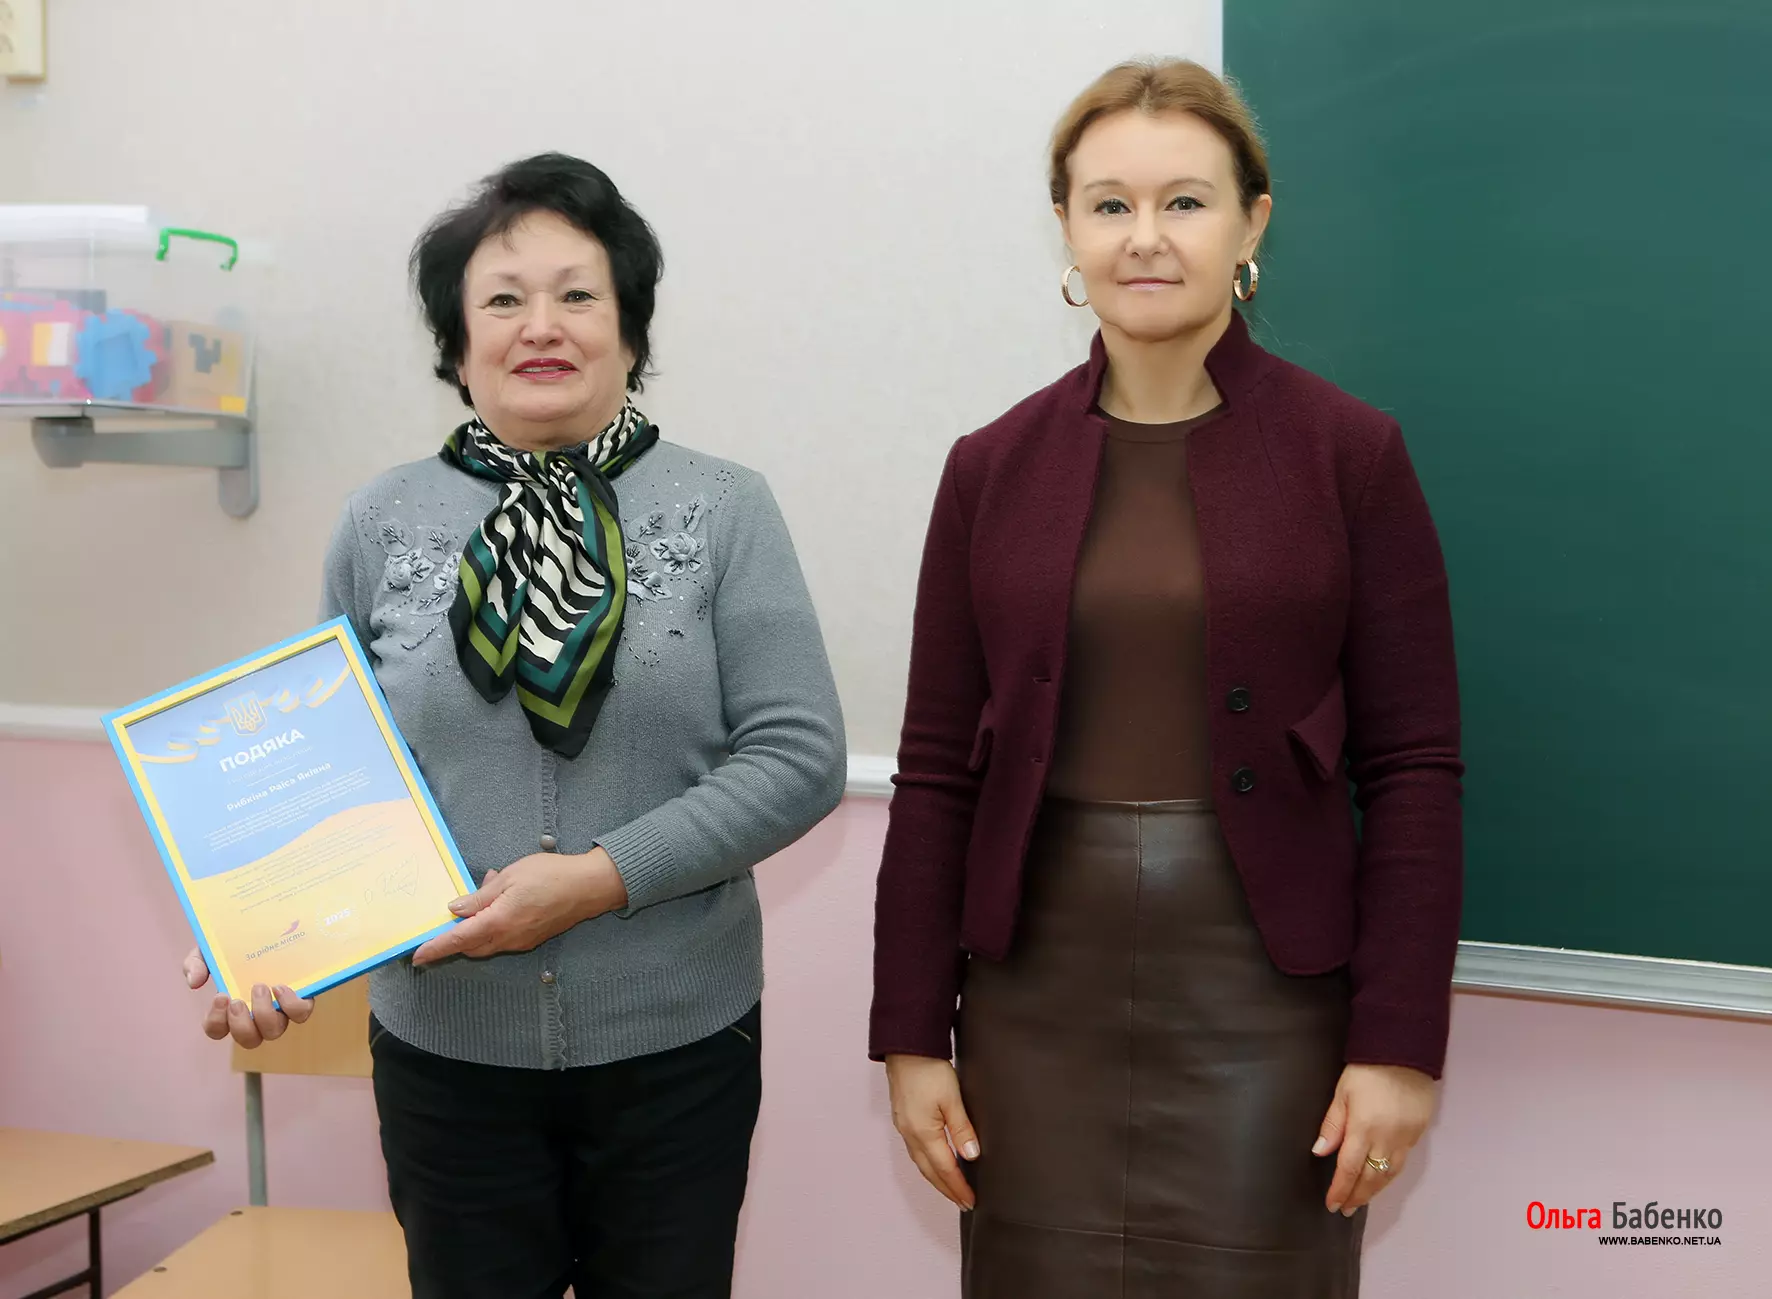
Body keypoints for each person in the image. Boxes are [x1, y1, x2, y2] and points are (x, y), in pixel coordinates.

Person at [182, 152, 846, 1299]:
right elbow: (327, 768)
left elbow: (797, 758)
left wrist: (595, 880)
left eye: (577, 294)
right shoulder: (381, 519)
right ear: (455, 345)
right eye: (501, 299)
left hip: (678, 1042)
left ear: (630, 330)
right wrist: (254, 932)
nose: (540, 325)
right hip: (443, 1052)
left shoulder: (725, 507)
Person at [870, 59, 1463, 1297]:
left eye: (1183, 201)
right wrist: (911, 1034)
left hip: (1267, 999)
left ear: (1251, 223)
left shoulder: (1350, 454)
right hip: (1033, 997)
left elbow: (1412, 766)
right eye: (1109, 205)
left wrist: (1399, 1044)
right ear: (1066, 228)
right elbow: (933, 774)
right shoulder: (989, 466)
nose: (1143, 237)